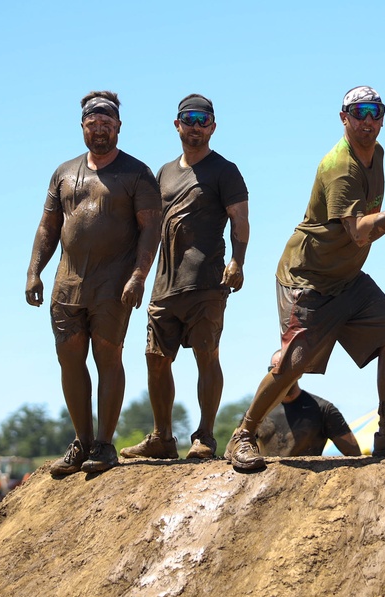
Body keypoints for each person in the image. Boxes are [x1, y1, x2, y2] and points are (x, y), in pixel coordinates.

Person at [224, 86, 385, 472]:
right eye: (359, 113)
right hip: (309, 279)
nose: (368, 121)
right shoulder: (340, 166)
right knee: (294, 362)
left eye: (375, 112)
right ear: (344, 118)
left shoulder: (377, 154)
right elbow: (359, 232)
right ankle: (243, 435)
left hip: (348, 278)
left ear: (383, 117)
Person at [26, 91, 162, 476]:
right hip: (68, 283)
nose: (100, 130)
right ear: (83, 127)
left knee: (108, 356)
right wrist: (34, 271)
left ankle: (104, 444)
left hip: (113, 283)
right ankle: (82, 442)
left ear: (118, 127)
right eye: (93, 124)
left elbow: (151, 228)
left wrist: (139, 275)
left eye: (107, 124)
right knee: (69, 359)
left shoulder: (136, 173)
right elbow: (47, 226)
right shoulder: (64, 172)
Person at [119, 94, 250, 462]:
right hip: (164, 285)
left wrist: (238, 261)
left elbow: (240, 219)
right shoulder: (162, 173)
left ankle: (205, 436)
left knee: (207, 355)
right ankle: (162, 437)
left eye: (203, 119)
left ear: (213, 126)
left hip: (206, 282)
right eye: (189, 119)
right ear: (177, 125)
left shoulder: (225, 170)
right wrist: (138, 275)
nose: (195, 126)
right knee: (155, 359)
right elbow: (147, 227)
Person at [254, 349, 361, 457]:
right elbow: (240, 448)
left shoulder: (323, 410)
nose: (280, 374)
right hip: (269, 474)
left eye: (285, 368)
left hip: (309, 473)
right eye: (273, 369)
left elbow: (354, 455)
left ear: (298, 372)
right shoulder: (258, 411)